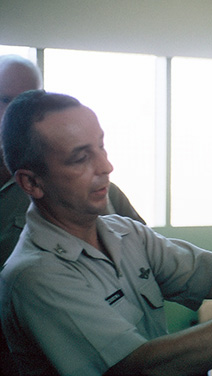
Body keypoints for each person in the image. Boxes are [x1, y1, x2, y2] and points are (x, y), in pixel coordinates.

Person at [0, 89, 212, 375]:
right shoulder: (34, 276)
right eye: (80, 158)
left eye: (101, 147)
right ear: (31, 182)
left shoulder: (123, 232)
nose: (106, 166)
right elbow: (142, 366)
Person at [0, 54, 145, 267]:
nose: (17, 114)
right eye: (5, 100)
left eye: (29, 101)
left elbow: (147, 264)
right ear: (27, 182)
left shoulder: (100, 190)